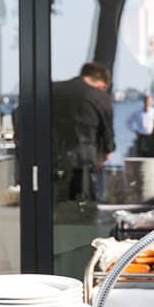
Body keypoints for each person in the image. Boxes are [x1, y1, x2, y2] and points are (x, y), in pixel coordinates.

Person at [50, 61, 115, 202]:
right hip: (82, 163)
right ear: (100, 82)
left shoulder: (52, 89)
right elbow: (107, 138)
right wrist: (106, 151)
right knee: (83, 213)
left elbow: (19, 112)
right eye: (104, 88)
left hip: (50, 162)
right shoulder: (99, 96)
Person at [126, 92, 154, 157]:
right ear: (144, 102)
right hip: (141, 135)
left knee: (151, 153)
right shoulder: (138, 112)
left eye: (149, 101)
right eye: (146, 101)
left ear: (152, 102)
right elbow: (128, 122)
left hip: (151, 135)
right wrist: (134, 130)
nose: (147, 103)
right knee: (140, 153)